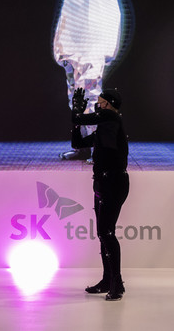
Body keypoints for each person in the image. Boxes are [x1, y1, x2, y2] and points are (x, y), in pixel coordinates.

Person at [39, 0, 124, 161]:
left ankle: (99, 148)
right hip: (80, 44)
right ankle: (84, 146)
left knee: (89, 96)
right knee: (79, 97)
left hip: (87, 44)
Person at [70, 87, 129, 301]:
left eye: (101, 102)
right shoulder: (104, 128)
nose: (98, 105)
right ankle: (107, 280)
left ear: (109, 104)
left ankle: (117, 283)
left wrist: (77, 111)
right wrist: (76, 122)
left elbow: (78, 118)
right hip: (102, 183)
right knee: (103, 233)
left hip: (113, 182)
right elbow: (77, 143)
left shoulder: (111, 117)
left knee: (107, 233)